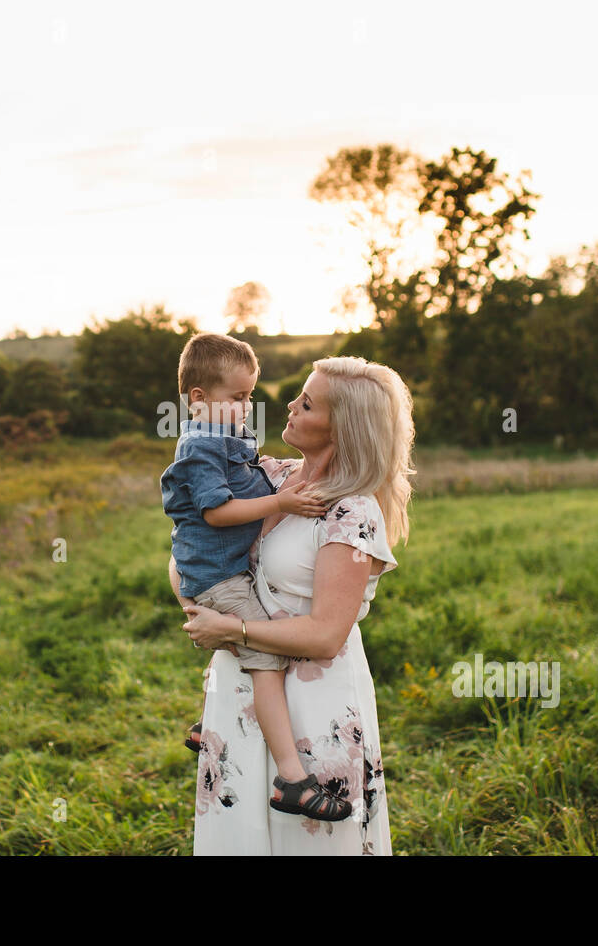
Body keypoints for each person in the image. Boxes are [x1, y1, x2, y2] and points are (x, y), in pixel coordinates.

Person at [177, 356, 415, 854]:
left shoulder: (351, 512)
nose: (288, 405)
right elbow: (189, 537)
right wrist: (193, 592)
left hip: (313, 705)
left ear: (342, 427)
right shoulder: (267, 477)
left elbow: (326, 635)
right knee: (238, 835)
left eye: (306, 403)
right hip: (241, 690)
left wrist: (233, 630)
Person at [161, 334, 351, 821]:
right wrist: (282, 502)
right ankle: (292, 778)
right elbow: (219, 512)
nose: (250, 407)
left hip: (218, 572)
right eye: (239, 398)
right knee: (264, 658)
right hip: (218, 575)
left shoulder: (223, 436)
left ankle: (209, 722)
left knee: (245, 629)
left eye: (249, 396)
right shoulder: (201, 446)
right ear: (199, 399)